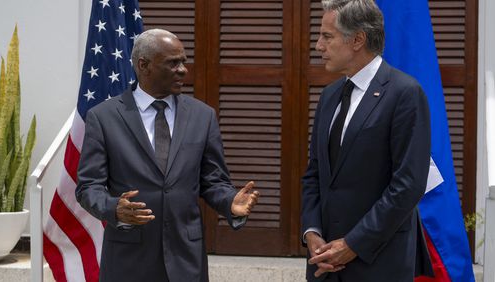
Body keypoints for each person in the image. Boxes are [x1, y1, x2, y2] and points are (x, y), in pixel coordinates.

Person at [76, 28, 259, 282]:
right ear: (144, 65)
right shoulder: (104, 117)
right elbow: (88, 187)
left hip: (185, 260)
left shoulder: (202, 116)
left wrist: (230, 202)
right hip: (128, 260)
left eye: (183, 61)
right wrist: (114, 208)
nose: (183, 70)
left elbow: (213, 181)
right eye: (173, 63)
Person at [301, 0, 434, 281]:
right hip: (324, 264)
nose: (318, 46)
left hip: (378, 263)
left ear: (358, 39)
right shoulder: (329, 96)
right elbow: (315, 173)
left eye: (327, 36)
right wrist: (311, 231)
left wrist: (352, 245)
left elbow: (408, 185)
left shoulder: (404, 93)